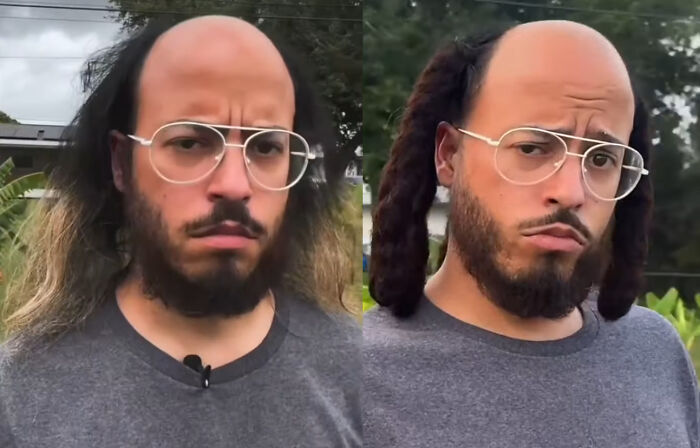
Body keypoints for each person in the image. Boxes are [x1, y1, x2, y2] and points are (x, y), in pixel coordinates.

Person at [0, 16, 361, 447]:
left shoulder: (361, 376)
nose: (234, 184)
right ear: (121, 163)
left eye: (265, 146)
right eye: (190, 142)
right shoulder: (21, 394)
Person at [364, 20, 699, 447]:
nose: (571, 192)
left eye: (602, 159)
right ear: (448, 155)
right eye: (532, 148)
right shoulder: (356, 382)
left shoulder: (653, 352)